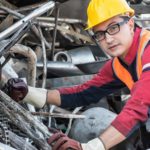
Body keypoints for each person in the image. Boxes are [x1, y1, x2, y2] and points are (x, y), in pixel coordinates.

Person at [3, 0, 150, 149]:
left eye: (113, 28)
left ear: (130, 24)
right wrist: (29, 93)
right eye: (99, 34)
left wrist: (89, 147)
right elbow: (82, 93)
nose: (108, 39)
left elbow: (140, 105)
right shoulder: (118, 65)